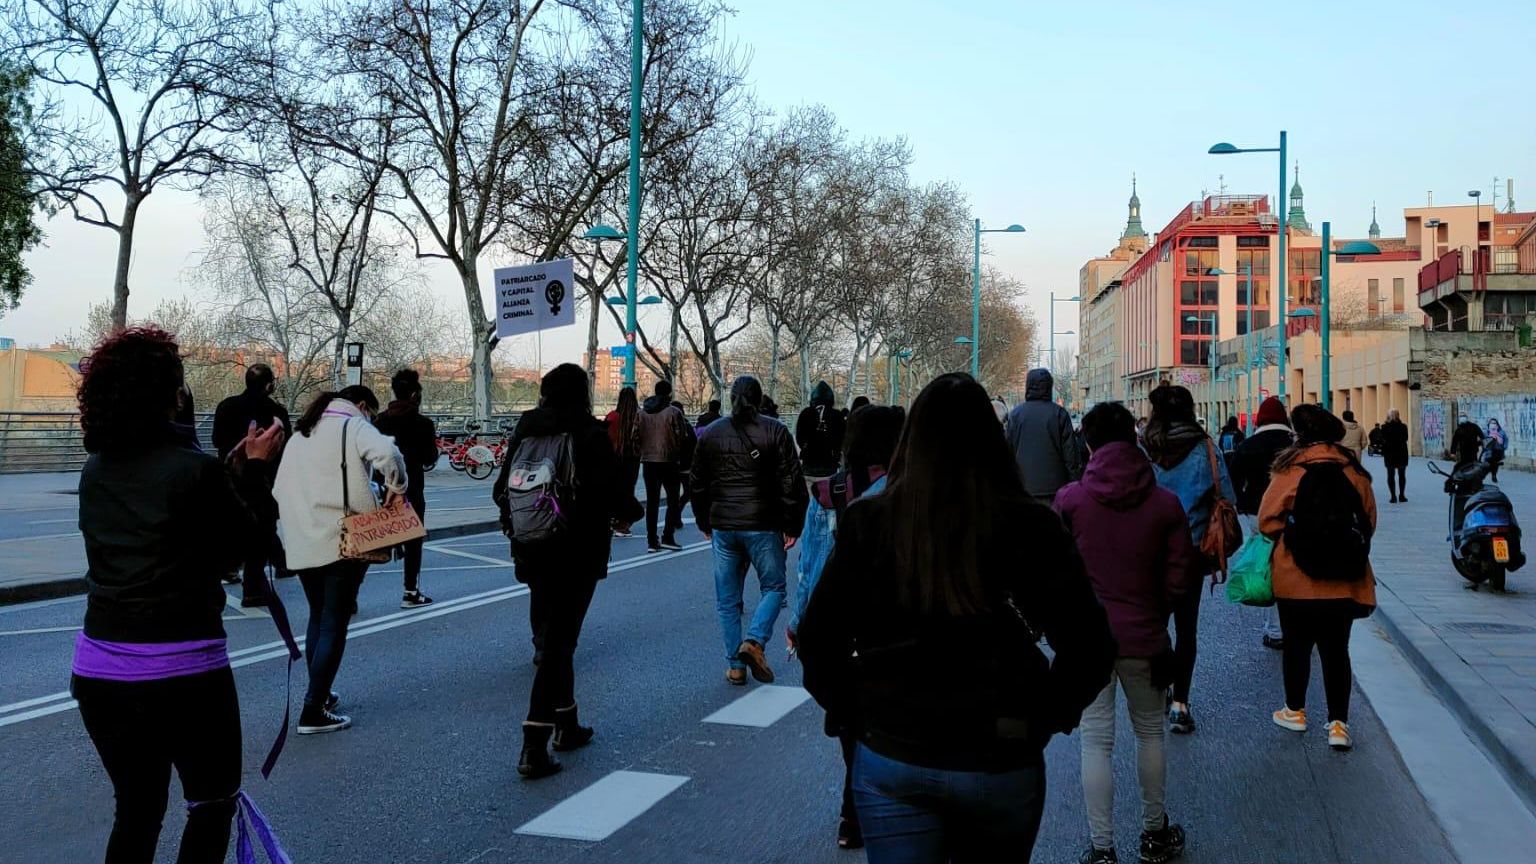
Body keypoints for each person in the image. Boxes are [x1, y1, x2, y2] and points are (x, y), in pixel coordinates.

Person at [798, 373, 1115, 862]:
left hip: (893, 744)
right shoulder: (1030, 527)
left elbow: (819, 640)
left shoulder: (870, 523)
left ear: (911, 443)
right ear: (993, 442)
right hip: (999, 749)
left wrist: (856, 713)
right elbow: (1090, 646)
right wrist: (1044, 717)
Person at [72, 326, 285, 864]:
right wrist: (255, 471)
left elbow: (166, 529)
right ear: (169, 396)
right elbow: (249, 546)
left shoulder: (95, 471)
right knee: (211, 805)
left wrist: (225, 474)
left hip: (100, 670)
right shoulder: (192, 471)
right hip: (183, 670)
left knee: (137, 810)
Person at [1054, 401, 1195, 864]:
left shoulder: (1071, 500)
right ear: (1135, 440)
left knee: (1095, 740)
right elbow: (1179, 579)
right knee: (1150, 733)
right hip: (1146, 639)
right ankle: (1155, 833)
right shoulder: (1165, 505)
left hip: (1090, 642)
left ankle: (1101, 847)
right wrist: (1156, 615)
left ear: (1089, 443)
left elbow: (1058, 576)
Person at [493, 364, 642, 779]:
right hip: (577, 552)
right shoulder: (588, 433)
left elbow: (500, 488)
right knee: (559, 643)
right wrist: (632, 512)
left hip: (531, 547)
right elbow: (613, 492)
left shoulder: (526, 429)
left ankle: (567, 722)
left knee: (554, 635)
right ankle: (534, 744)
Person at [787, 403, 905, 852]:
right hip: (884, 626)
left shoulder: (832, 491)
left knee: (855, 727)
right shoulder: (913, 494)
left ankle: (853, 815)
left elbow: (813, 562)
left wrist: (801, 619)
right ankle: (858, 813)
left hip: (844, 626)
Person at [274, 385, 407, 734]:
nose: (372, 420)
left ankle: (321, 694)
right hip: (343, 539)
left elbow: (278, 488)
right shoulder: (354, 426)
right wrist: (397, 486)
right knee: (334, 621)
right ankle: (313, 709)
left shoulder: (300, 435)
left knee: (318, 617)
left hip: (302, 540)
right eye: (372, 414)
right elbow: (388, 454)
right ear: (361, 406)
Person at [1259, 405, 1377, 752]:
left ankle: (1295, 711)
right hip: (1344, 577)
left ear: (1300, 435)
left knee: (1296, 646)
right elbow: (1369, 520)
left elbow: (1267, 520)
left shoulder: (1290, 469)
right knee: (1337, 650)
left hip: (1295, 576)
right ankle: (1339, 724)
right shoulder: (1354, 470)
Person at [689, 375, 808, 686]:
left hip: (724, 526)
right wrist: (792, 523)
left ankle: (735, 667)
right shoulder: (776, 430)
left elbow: (697, 483)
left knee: (728, 600)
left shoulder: (711, 434)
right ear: (759, 399)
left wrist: (704, 521)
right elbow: (791, 483)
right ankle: (754, 642)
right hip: (763, 523)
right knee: (774, 588)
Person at [1143, 384, 1236, 735]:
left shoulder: (1144, 450)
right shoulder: (1205, 448)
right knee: (1187, 629)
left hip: (1150, 553)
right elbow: (1226, 495)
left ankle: (1160, 686)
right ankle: (1181, 704)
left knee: (1153, 624)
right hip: (1192, 552)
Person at [211, 363, 293, 603]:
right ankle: (253, 588)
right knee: (262, 529)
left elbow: (216, 440)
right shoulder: (277, 412)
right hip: (262, 479)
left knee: (230, 527)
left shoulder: (226, 406)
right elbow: (283, 447)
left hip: (230, 479)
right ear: (269, 385)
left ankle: (226, 571)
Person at [1231, 397, 1294, 650]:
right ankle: (1290, 624)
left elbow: (1234, 482)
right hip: (1292, 513)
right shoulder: (1295, 444)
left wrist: (1242, 506)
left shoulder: (1247, 446)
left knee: (1268, 565)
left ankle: (1275, 629)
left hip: (1257, 513)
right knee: (1291, 564)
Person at [373, 369, 438, 608]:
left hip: (381, 490)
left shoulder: (379, 421)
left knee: (371, 538)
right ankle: (410, 591)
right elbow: (430, 457)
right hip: (411, 489)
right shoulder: (423, 424)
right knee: (413, 541)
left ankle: (351, 597)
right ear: (414, 394)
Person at [1005, 368, 1083, 504]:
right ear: (1049, 387)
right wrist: (1074, 485)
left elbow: (1007, 452)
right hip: (1055, 489)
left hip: (1024, 487)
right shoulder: (1059, 414)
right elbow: (1071, 456)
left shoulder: (1015, 415)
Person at [635, 380, 694, 552]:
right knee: (673, 500)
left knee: (652, 502)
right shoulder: (673, 412)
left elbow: (635, 436)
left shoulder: (642, 413)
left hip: (648, 462)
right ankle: (668, 536)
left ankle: (651, 541)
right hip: (669, 461)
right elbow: (682, 437)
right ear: (669, 393)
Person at [604, 387, 643, 537]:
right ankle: (624, 523)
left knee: (615, 489)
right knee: (629, 489)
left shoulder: (613, 417)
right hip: (632, 458)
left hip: (615, 458)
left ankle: (614, 519)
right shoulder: (639, 416)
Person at [796, 380, 848, 490]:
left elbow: (799, 438)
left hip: (808, 466)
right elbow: (842, 440)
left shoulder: (805, 413)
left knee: (809, 503)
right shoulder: (837, 415)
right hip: (829, 467)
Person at [1381, 409, 1411, 503]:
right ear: (1398, 415)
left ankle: (1393, 496)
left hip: (1389, 453)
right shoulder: (1403, 427)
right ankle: (1402, 495)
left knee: (1390, 475)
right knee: (1402, 475)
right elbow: (1406, 438)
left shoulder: (1384, 427)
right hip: (1401, 452)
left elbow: (1383, 439)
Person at [1485, 418, 1508, 483]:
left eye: (1494, 423)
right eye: (1491, 423)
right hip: (1489, 450)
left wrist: (1504, 447)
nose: (1493, 424)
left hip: (1498, 450)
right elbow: (1483, 440)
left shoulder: (1501, 432)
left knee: (1494, 462)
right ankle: (1492, 473)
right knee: (1491, 463)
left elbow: (1505, 440)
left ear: (1497, 424)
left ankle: (1494, 475)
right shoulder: (1486, 432)